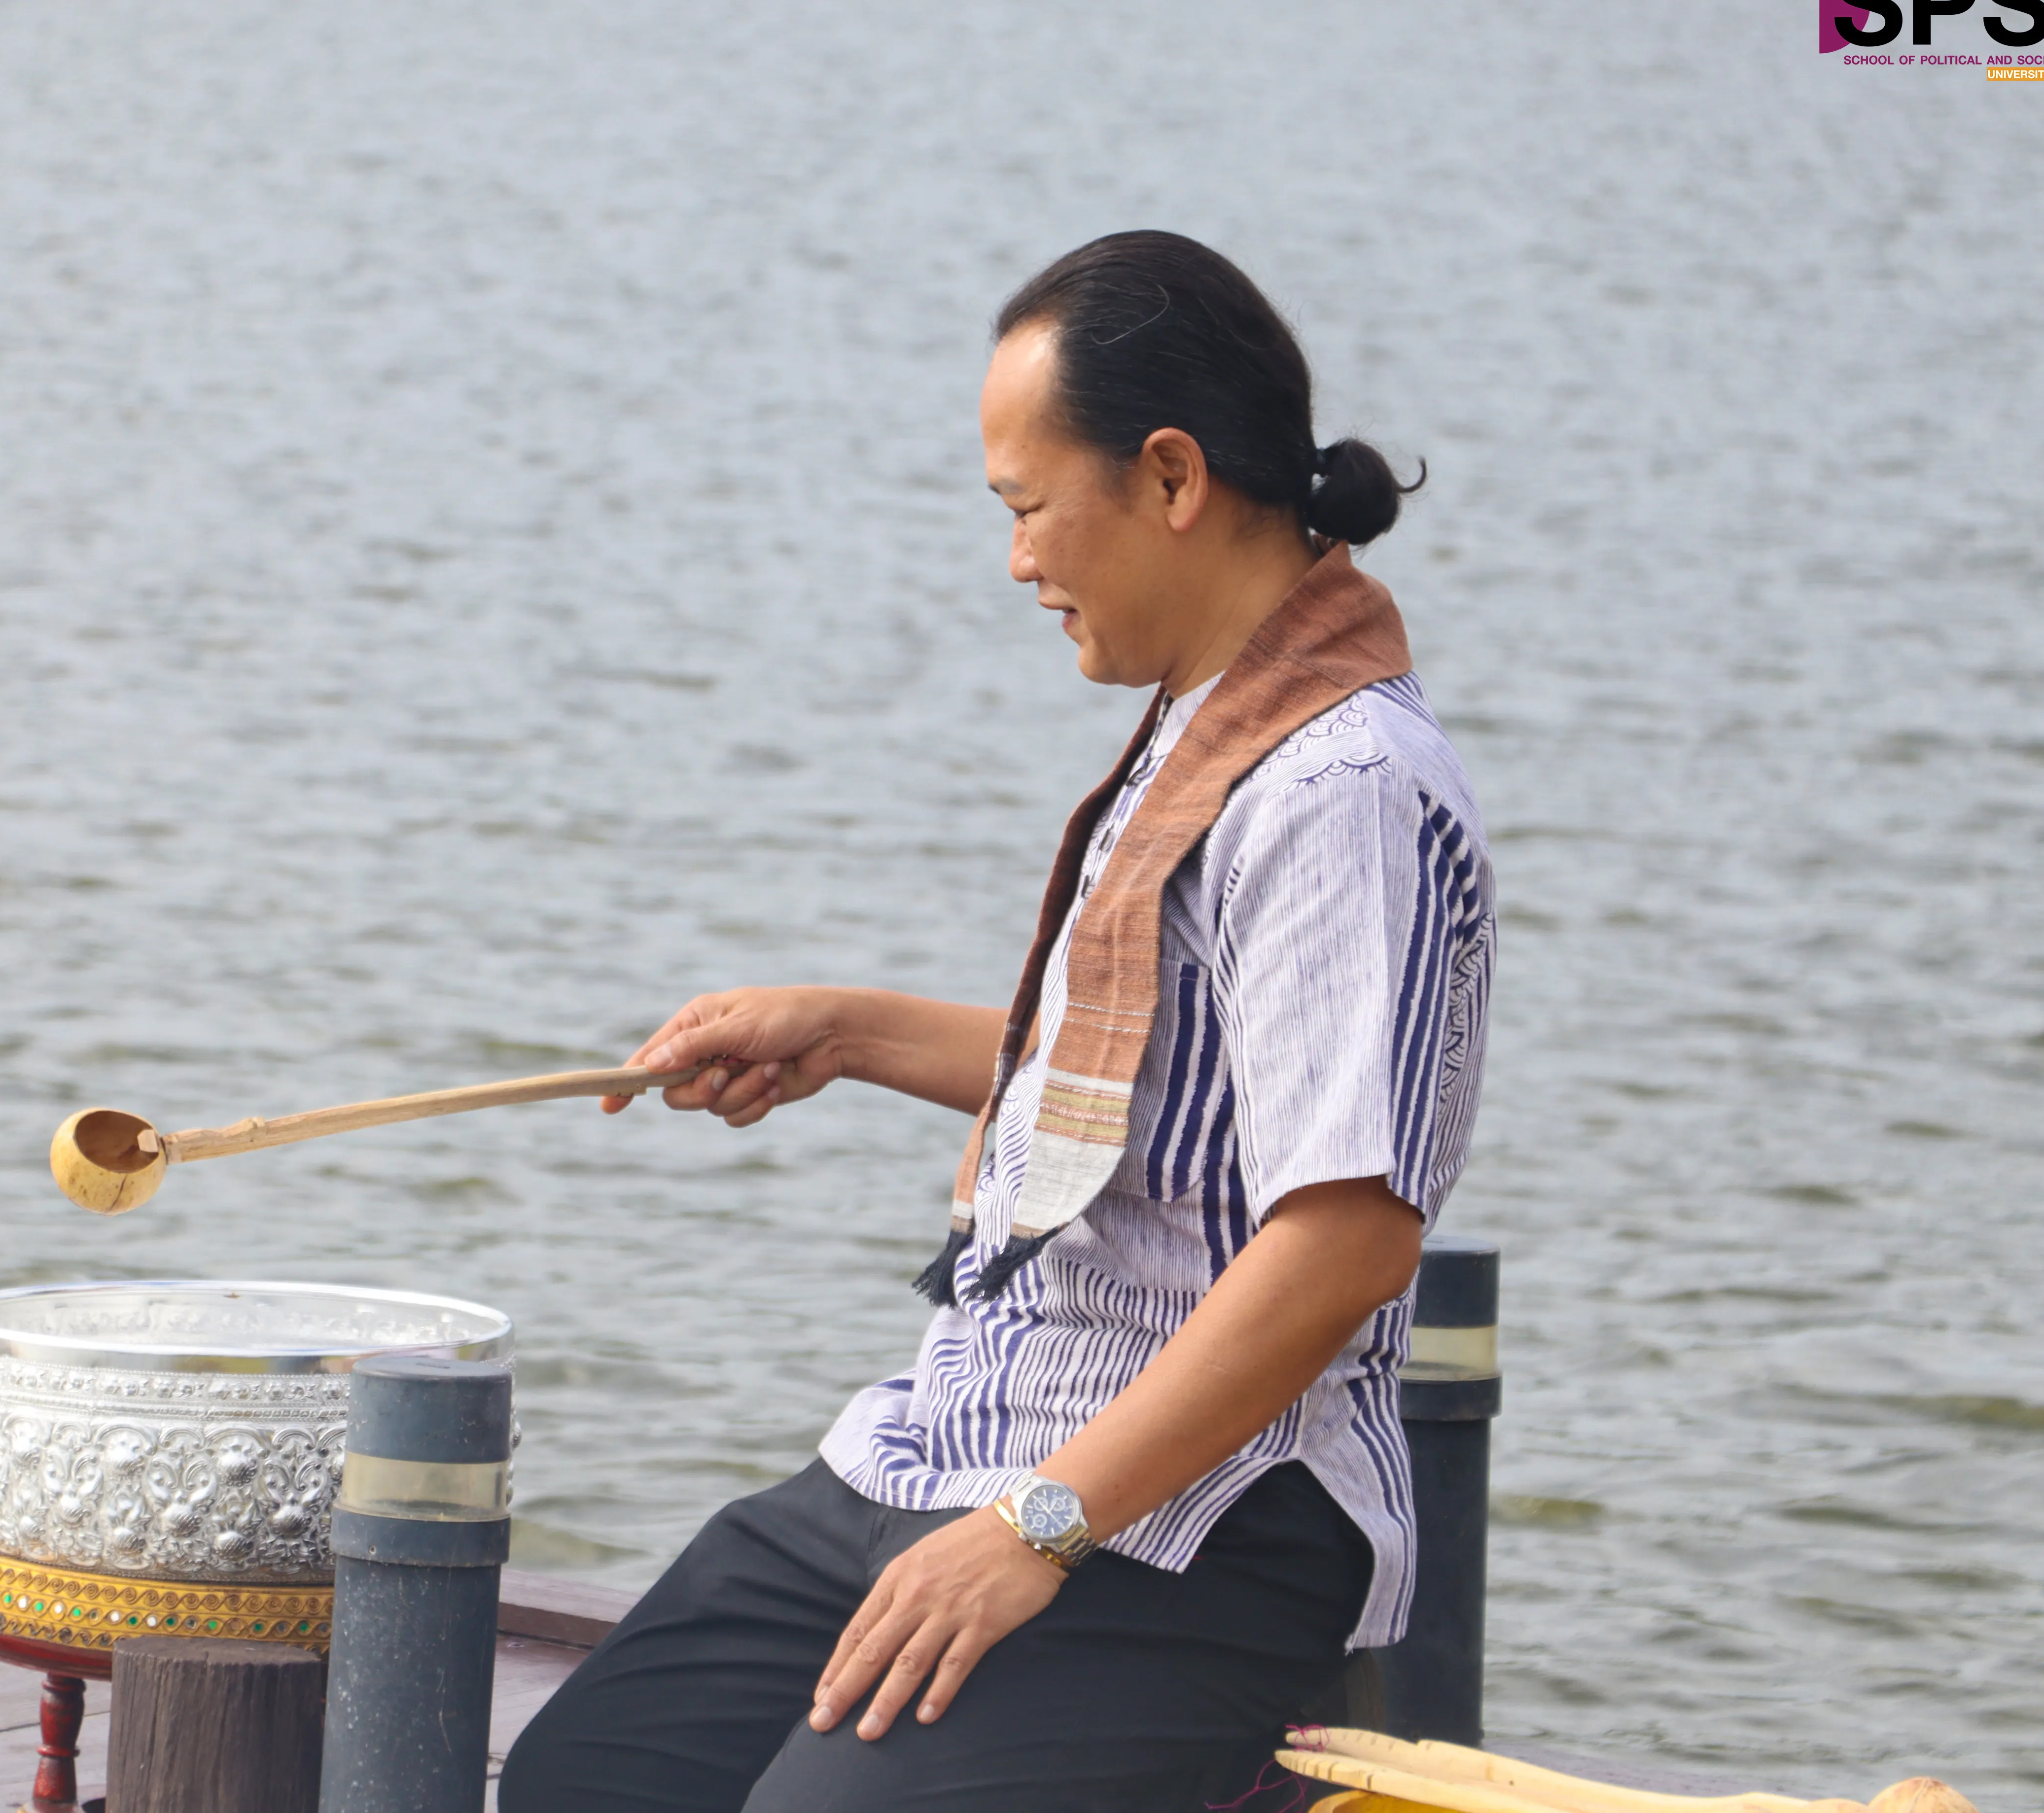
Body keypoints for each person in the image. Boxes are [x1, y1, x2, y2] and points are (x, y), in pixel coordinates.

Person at [498, 230, 1495, 1813]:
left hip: (1195, 1514)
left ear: (1171, 477)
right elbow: (1160, 1102)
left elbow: (1348, 1235)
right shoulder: (1206, 723)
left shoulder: (1345, 791)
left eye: (1030, 509)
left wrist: (1038, 1526)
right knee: (590, 1787)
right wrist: (848, 1030)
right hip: (960, 1437)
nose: (1020, 561)